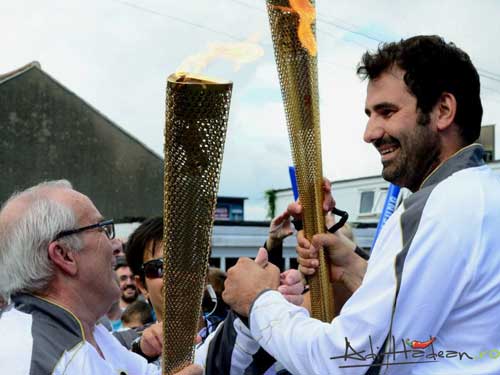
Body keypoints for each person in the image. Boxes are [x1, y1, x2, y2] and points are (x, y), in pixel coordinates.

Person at [222, 35, 500, 374]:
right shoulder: (484, 195)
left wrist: (259, 302)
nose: (370, 133)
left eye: (387, 112)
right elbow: (440, 312)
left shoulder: (438, 207)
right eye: (370, 115)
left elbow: (352, 362)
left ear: (443, 110)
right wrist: (353, 267)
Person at [0, 180, 202, 375]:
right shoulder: (26, 358)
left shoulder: (95, 335)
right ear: (64, 255)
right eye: (101, 229)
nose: (116, 246)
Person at [124, 216, 305, 373]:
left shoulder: (251, 333)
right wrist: (142, 351)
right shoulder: (122, 346)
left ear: (204, 274)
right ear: (141, 285)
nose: (178, 275)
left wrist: (269, 300)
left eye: (189, 262)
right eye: (161, 267)